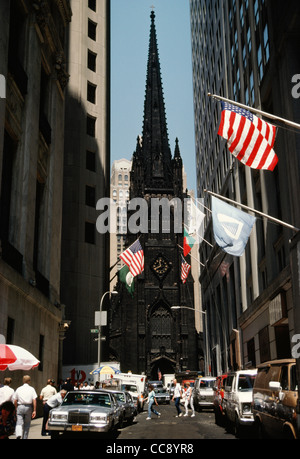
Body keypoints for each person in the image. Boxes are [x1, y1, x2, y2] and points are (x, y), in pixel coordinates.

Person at [13, 375, 37, 439]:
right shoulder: (32, 389)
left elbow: (15, 400)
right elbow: (34, 400)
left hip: (20, 406)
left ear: (23, 381)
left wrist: (16, 408)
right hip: (28, 407)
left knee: (19, 422)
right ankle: (25, 437)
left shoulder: (19, 388)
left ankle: (18, 434)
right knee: (27, 424)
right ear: (29, 381)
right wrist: (34, 410)